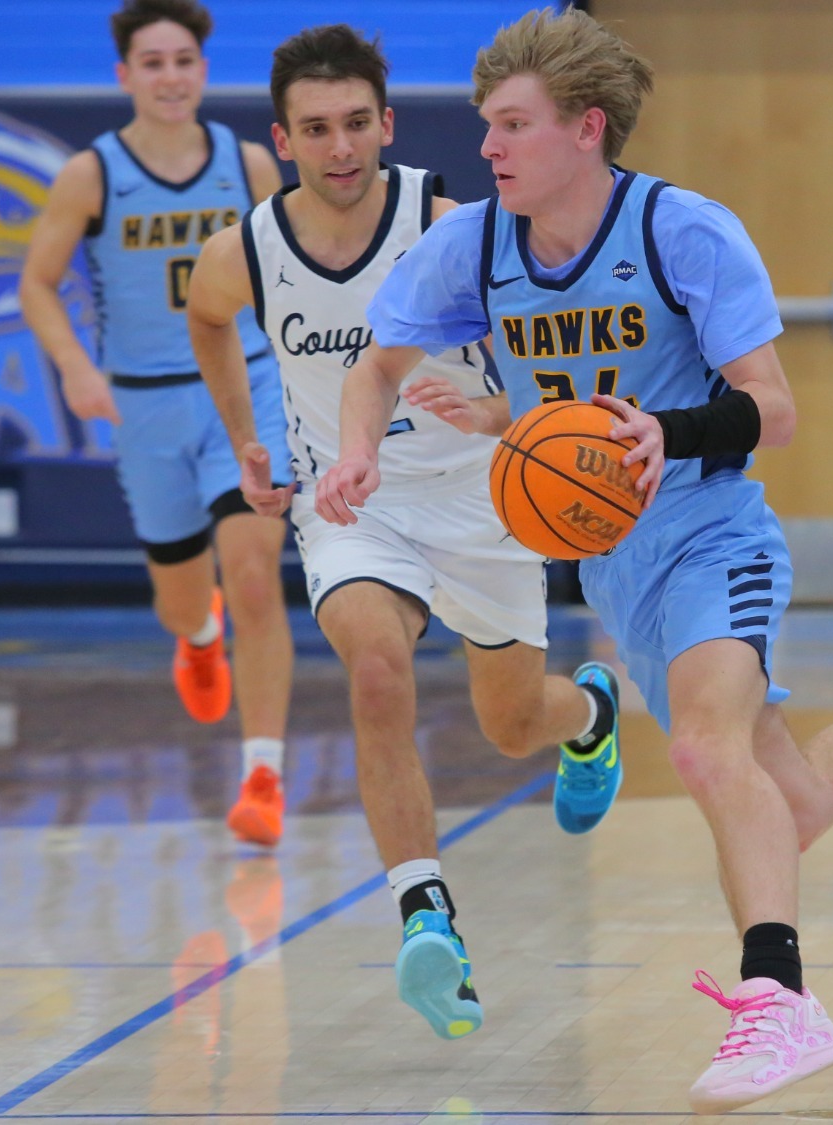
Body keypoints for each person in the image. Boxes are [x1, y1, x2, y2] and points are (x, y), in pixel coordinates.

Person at [321, 9, 833, 1112]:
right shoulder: (472, 244)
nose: (490, 149)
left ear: (586, 130)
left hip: (712, 534)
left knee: (707, 756)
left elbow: (772, 409)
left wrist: (669, 428)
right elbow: (374, 369)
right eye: (486, 126)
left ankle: (777, 999)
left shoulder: (680, 231)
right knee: (779, 806)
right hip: (612, 564)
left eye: (512, 125)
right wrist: (367, 456)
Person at [185, 24, 627, 1041]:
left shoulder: (455, 222)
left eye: (354, 125)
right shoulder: (244, 249)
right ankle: (426, 916)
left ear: (385, 124)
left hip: (484, 496)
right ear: (282, 139)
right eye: (315, 130)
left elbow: (543, 336)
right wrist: (246, 440)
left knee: (511, 724)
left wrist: (516, 419)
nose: (338, 148)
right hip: (354, 501)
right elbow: (208, 320)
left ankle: (588, 718)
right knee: (374, 667)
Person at [20, 0, 295, 849]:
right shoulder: (92, 175)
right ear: (125, 76)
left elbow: (294, 267)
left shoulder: (246, 164)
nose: (171, 76)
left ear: (204, 72)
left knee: (254, 574)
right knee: (183, 600)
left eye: (185, 61)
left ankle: (263, 775)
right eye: (154, 62)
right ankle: (198, 635)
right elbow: (38, 282)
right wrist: (74, 367)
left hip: (243, 393)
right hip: (144, 403)